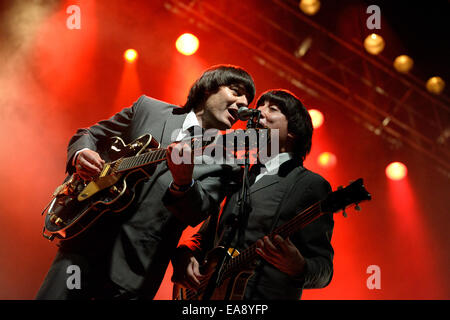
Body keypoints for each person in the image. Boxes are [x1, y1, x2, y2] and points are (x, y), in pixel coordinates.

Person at [36, 64, 255, 300]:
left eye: (247, 101)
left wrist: (183, 183)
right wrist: (82, 155)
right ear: (207, 89)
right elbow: (89, 135)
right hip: (80, 251)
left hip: (133, 277)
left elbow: (196, 213)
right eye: (235, 91)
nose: (242, 103)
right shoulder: (148, 108)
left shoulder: (226, 162)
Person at [171, 89, 334, 300]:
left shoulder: (310, 185)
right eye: (260, 105)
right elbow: (206, 236)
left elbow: (324, 268)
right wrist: (185, 254)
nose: (259, 111)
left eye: (272, 109)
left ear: (293, 130)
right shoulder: (239, 174)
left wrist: (299, 267)